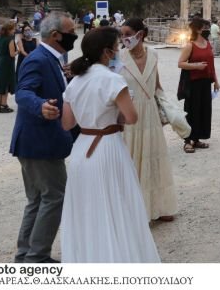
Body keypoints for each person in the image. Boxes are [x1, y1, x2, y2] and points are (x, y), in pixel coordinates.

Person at [60, 27, 160, 263]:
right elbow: (131, 117)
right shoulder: (113, 80)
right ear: (107, 52)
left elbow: (67, 124)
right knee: (117, 205)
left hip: (81, 149)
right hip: (108, 147)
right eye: (116, 47)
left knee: (87, 209)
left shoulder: (75, 82)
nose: (119, 50)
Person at [11, 12, 77, 263]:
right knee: (54, 197)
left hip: (34, 142)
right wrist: (40, 106)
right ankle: (37, 257)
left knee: (37, 199)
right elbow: (23, 92)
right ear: (55, 35)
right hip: (40, 142)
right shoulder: (38, 60)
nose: (75, 34)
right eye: (71, 31)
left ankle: (26, 254)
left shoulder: (53, 59)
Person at [118, 18, 185, 222]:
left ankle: (160, 206)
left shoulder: (154, 54)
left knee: (155, 159)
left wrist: (170, 111)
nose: (124, 38)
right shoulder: (118, 57)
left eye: (127, 33)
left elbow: (157, 85)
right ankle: (134, 211)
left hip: (150, 114)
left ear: (141, 34)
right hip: (129, 113)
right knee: (132, 160)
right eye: (122, 34)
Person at [178, 18, 220, 152]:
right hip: (193, 83)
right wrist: (196, 66)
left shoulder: (208, 44)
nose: (207, 29)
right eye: (205, 27)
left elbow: (212, 65)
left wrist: (216, 81)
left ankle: (197, 139)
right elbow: (180, 63)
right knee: (192, 111)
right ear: (197, 29)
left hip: (206, 82)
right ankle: (188, 141)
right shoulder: (190, 45)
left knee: (204, 111)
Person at [0, 21, 18, 113]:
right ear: (9, 30)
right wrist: (18, 51)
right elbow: (12, 54)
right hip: (7, 62)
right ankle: (4, 105)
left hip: (0, 61)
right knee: (6, 83)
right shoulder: (10, 40)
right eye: (13, 29)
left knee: (0, 82)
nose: (14, 30)